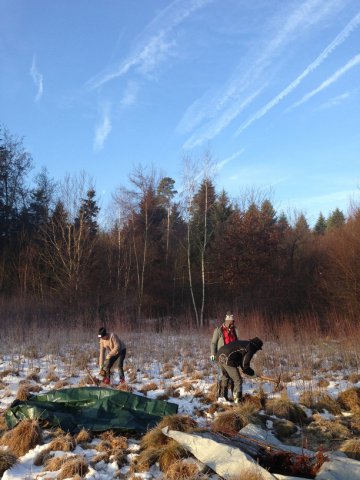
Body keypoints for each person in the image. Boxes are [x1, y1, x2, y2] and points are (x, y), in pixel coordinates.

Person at [216, 337, 263, 403]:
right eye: (258, 349)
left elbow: (242, 362)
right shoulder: (251, 348)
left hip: (219, 354)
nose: (256, 351)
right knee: (238, 380)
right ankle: (237, 400)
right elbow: (245, 365)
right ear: (256, 347)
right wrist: (253, 374)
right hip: (228, 358)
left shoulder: (245, 344)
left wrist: (248, 372)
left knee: (225, 376)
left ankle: (222, 397)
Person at [210, 312, 239, 401]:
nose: (233, 323)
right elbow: (213, 343)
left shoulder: (234, 330)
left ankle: (234, 397)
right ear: (227, 321)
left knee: (233, 377)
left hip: (232, 357)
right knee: (225, 376)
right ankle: (224, 396)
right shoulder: (219, 330)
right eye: (231, 322)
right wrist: (212, 354)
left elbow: (237, 343)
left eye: (233, 321)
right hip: (222, 357)